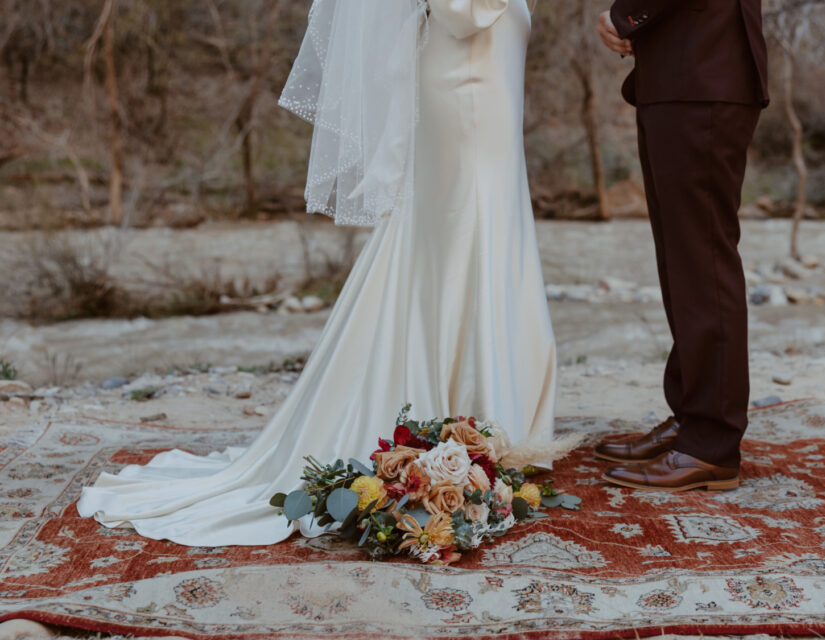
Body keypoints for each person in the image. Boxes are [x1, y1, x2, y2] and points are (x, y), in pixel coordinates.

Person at [78, 0, 557, 546]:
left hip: (493, 53)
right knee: (465, 216)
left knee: (486, 215)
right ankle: (469, 415)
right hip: (465, 50)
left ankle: (489, 418)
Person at [593, 0, 769, 492]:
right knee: (682, 262)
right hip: (679, 76)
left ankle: (710, 446)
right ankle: (693, 419)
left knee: (703, 262)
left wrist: (626, 15)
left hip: (703, 77)